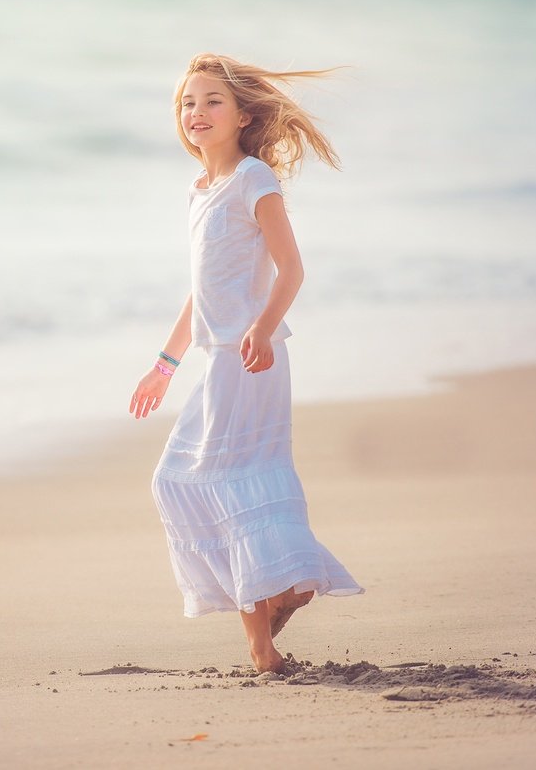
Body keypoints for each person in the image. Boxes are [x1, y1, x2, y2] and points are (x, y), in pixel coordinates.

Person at [129, 52, 363, 674]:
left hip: (253, 359)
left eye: (211, 101)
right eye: (187, 103)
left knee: (220, 482)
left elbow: (292, 270)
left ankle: (266, 637)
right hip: (220, 358)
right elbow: (200, 293)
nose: (196, 113)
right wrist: (163, 365)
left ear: (241, 115)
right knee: (188, 480)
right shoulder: (200, 189)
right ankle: (281, 598)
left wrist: (260, 329)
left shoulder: (254, 178)